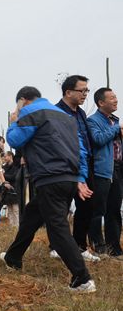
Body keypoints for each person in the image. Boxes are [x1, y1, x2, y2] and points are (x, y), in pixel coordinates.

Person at [0, 86, 95, 293]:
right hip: (68, 177)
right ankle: (13, 257)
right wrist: (79, 178)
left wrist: (14, 121)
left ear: (23, 100)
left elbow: (15, 140)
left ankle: (82, 278)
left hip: (50, 177)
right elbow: (81, 150)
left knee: (57, 228)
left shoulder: (30, 112)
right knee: (33, 215)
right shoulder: (65, 116)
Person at [52, 75, 98, 261]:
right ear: (68, 91)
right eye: (82, 90)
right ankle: (57, 247)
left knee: (87, 205)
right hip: (65, 167)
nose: (85, 94)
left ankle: (80, 245)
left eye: (87, 90)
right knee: (61, 208)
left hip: (85, 164)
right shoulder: (56, 112)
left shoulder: (81, 113)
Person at [87, 87, 122, 258]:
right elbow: (98, 139)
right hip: (101, 170)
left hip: (117, 169)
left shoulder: (114, 121)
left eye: (116, 97)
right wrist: (116, 128)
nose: (116, 100)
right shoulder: (93, 121)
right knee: (98, 209)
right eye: (112, 98)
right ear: (101, 103)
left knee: (114, 209)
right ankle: (97, 246)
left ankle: (114, 248)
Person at [2, 151, 20, 227]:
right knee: (9, 209)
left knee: (15, 209)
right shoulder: (4, 167)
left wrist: (3, 175)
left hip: (14, 189)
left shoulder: (16, 166)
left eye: (5, 156)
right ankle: (11, 226)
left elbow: (14, 177)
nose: (4, 158)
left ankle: (17, 226)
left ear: (10, 156)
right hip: (6, 191)